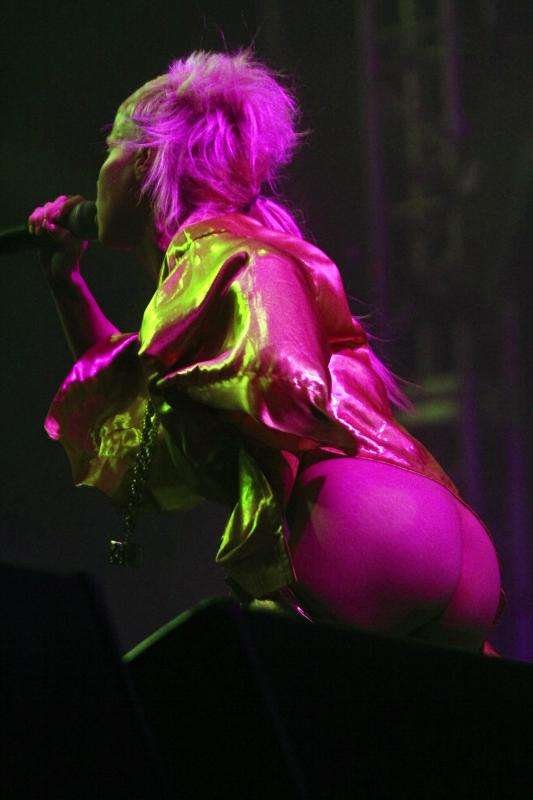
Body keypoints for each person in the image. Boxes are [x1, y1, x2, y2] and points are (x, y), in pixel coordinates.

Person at [29, 49, 505, 655]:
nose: (98, 172)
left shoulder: (213, 254)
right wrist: (67, 284)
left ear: (146, 161)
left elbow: (273, 381)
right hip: (436, 531)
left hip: (356, 531)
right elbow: (133, 398)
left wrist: (200, 392)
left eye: (109, 149)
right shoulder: (254, 246)